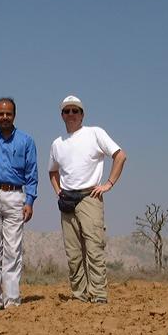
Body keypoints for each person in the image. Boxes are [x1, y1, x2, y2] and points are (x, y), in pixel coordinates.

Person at [48, 95, 127, 304]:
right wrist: (58, 192)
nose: (71, 114)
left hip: (90, 197)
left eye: (75, 110)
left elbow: (120, 155)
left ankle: (99, 295)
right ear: (62, 115)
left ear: (82, 114)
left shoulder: (95, 133)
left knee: (94, 248)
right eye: (67, 111)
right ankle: (79, 295)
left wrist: (108, 184)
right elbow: (52, 172)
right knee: (73, 253)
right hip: (67, 201)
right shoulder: (57, 144)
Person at [0, 98, 38, 310]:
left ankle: (12, 301)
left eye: (8, 114)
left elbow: (32, 174)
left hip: (16, 196)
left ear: (14, 115)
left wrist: (30, 201)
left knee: (13, 251)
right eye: (0, 114)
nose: (4, 117)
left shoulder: (26, 141)